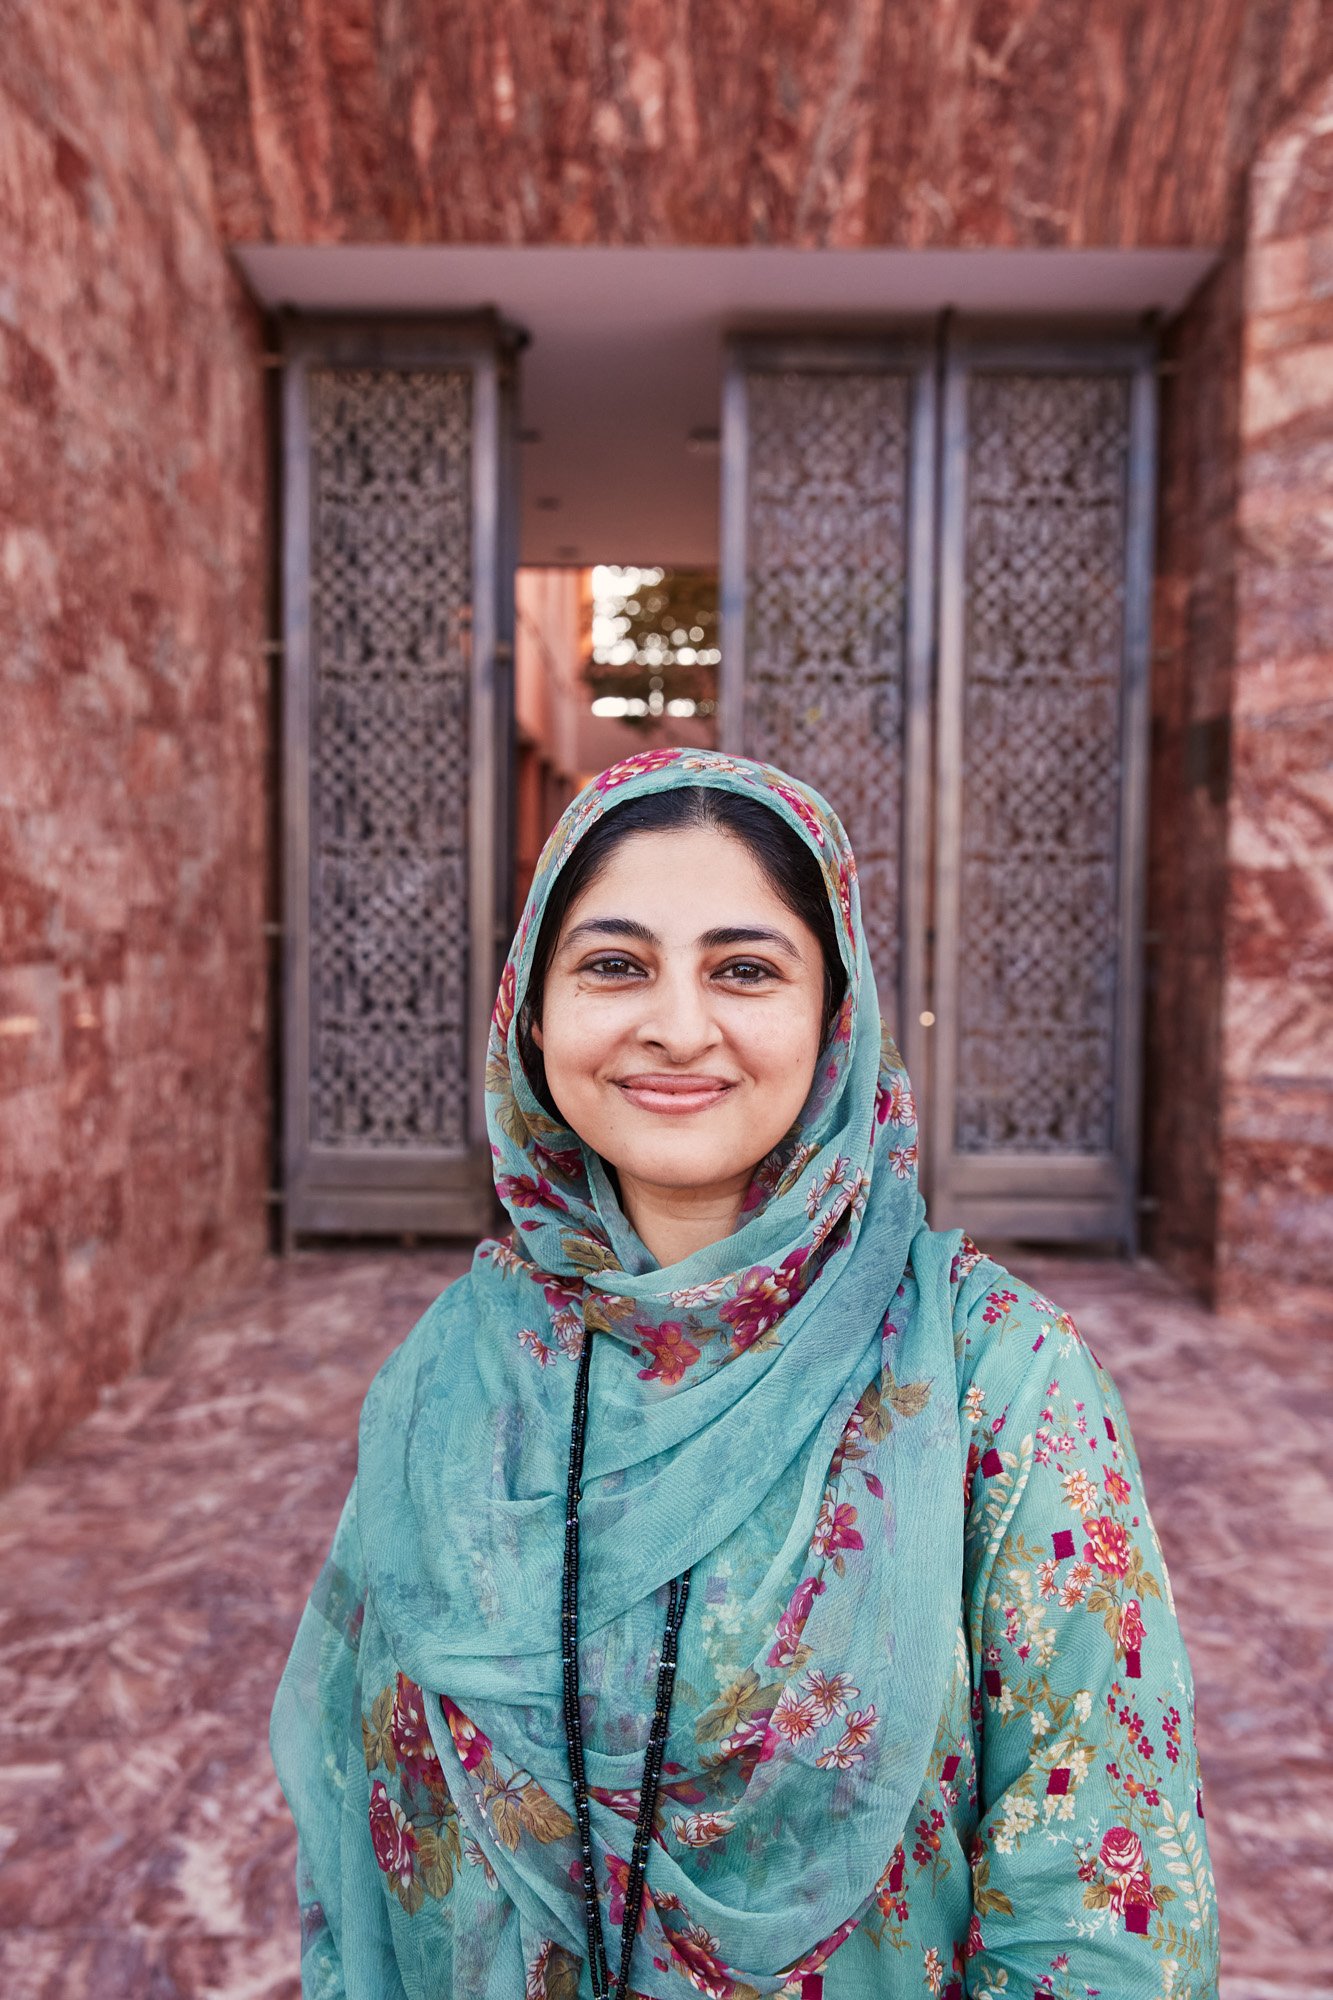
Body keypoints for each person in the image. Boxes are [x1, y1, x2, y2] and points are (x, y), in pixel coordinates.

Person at [271, 748, 1219, 2000]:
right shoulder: (460, 1373)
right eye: (614, 964)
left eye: (744, 968)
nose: (676, 1023)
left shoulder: (993, 1373)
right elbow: (355, 1843)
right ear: (532, 1013)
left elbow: (1103, 1907)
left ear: (834, 1015)